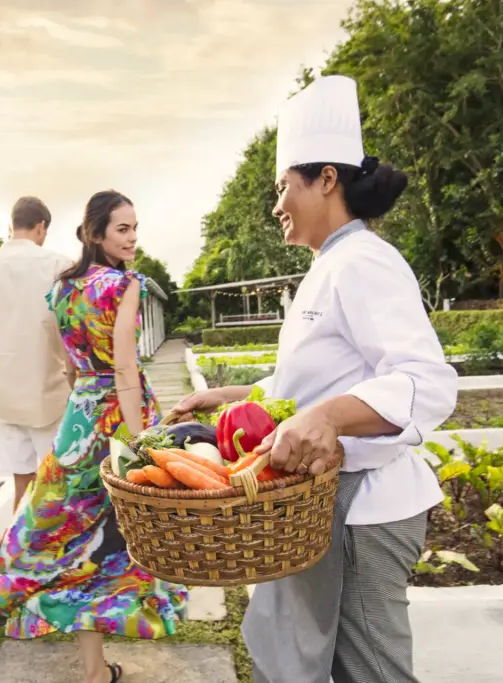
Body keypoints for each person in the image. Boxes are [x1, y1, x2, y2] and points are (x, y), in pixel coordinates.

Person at [170, 75, 457, 683]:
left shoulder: (363, 260)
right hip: (333, 506)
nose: (276, 205)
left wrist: (327, 418)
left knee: (372, 673)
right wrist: (229, 397)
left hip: (364, 511)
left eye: (283, 187)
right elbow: (315, 383)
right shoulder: (331, 265)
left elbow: (425, 382)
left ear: (327, 178)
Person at [0, 190, 188, 683]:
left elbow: (70, 365)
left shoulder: (64, 287)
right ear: (95, 234)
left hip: (79, 420)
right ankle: (102, 653)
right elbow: (127, 371)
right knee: (123, 532)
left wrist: (84, 410)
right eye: (122, 230)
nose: (132, 238)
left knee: (73, 535)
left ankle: (94, 670)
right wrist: (142, 443)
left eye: (135, 228)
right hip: (120, 415)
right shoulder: (124, 285)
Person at [0, 196, 74, 512]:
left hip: (6, 402)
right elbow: (74, 334)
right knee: (61, 490)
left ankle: (18, 558)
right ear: (41, 227)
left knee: (22, 491)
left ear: (11, 226)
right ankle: (59, 559)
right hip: (54, 398)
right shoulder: (60, 266)